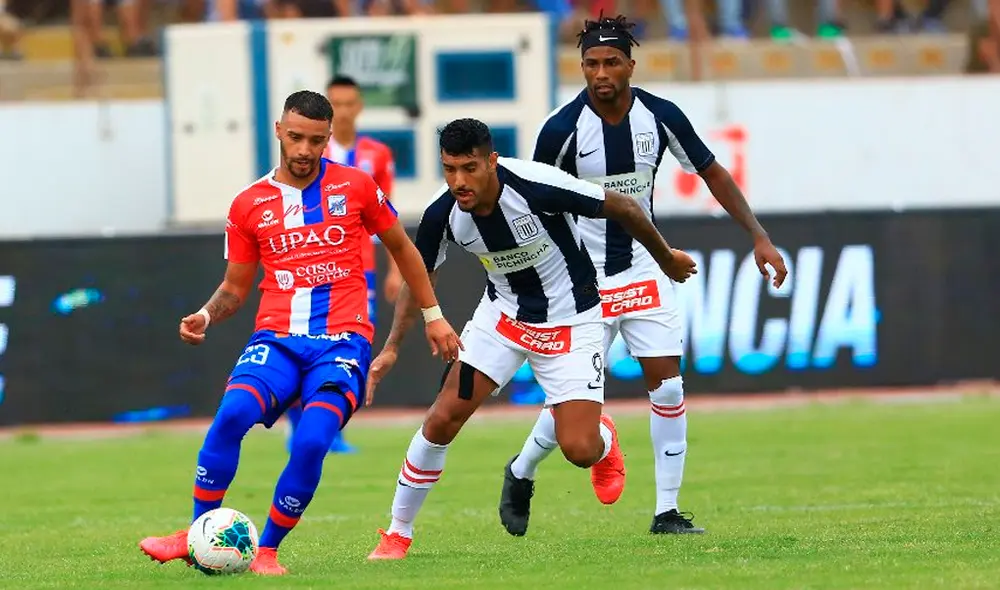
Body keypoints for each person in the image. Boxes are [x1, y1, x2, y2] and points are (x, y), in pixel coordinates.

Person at [137, 90, 460, 576]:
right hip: (276, 341)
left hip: (342, 342)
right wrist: (206, 314)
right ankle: (196, 533)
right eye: (296, 137)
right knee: (231, 417)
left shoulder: (356, 186)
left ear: (329, 137)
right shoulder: (249, 204)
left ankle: (266, 551)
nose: (305, 149)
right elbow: (235, 287)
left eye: (316, 140)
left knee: (311, 440)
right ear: (278, 132)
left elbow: (405, 250)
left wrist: (434, 315)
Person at [499, 14, 788, 537]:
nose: (601, 72)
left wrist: (758, 235)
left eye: (611, 62)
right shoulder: (562, 129)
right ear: (581, 67)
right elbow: (532, 200)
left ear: (631, 65)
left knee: (669, 387)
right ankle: (520, 472)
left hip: (644, 270)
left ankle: (666, 512)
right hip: (582, 284)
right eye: (591, 63)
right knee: (572, 405)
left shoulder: (659, 116)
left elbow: (712, 171)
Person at [364, 118, 699, 561]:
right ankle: (397, 533)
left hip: (573, 321)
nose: (459, 181)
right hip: (501, 319)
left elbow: (626, 208)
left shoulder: (538, 186)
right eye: (449, 169)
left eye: (469, 168)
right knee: (443, 417)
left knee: (580, 450)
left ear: (492, 161)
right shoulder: (442, 212)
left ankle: (602, 435)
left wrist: (666, 259)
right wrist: (392, 345)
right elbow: (418, 272)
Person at [282, 75, 403, 455]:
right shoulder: (310, 147)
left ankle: (332, 430)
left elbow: (387, 217)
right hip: (310, 263)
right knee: (300, 342)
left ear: (360, 106)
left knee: (350, 345)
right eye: (338, 104)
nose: (345, 111)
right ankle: (299, 427)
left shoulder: (378, 154)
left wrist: (395, 268)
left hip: (359, 267)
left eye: (351, 103)